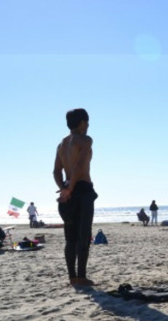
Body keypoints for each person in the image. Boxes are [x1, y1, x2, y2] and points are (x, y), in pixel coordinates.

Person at [53, 108, 98, 287]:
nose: (87, 126)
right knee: (83, 235)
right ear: (81, 123)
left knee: (70, 237)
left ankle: (72, 277)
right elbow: (80, 166)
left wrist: (64, 189)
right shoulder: (85, 140)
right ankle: (81, 276)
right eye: (86, 122)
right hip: (82, 189)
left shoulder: (61, 145)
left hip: (67, 193)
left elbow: (56, 171)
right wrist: (71, 188)